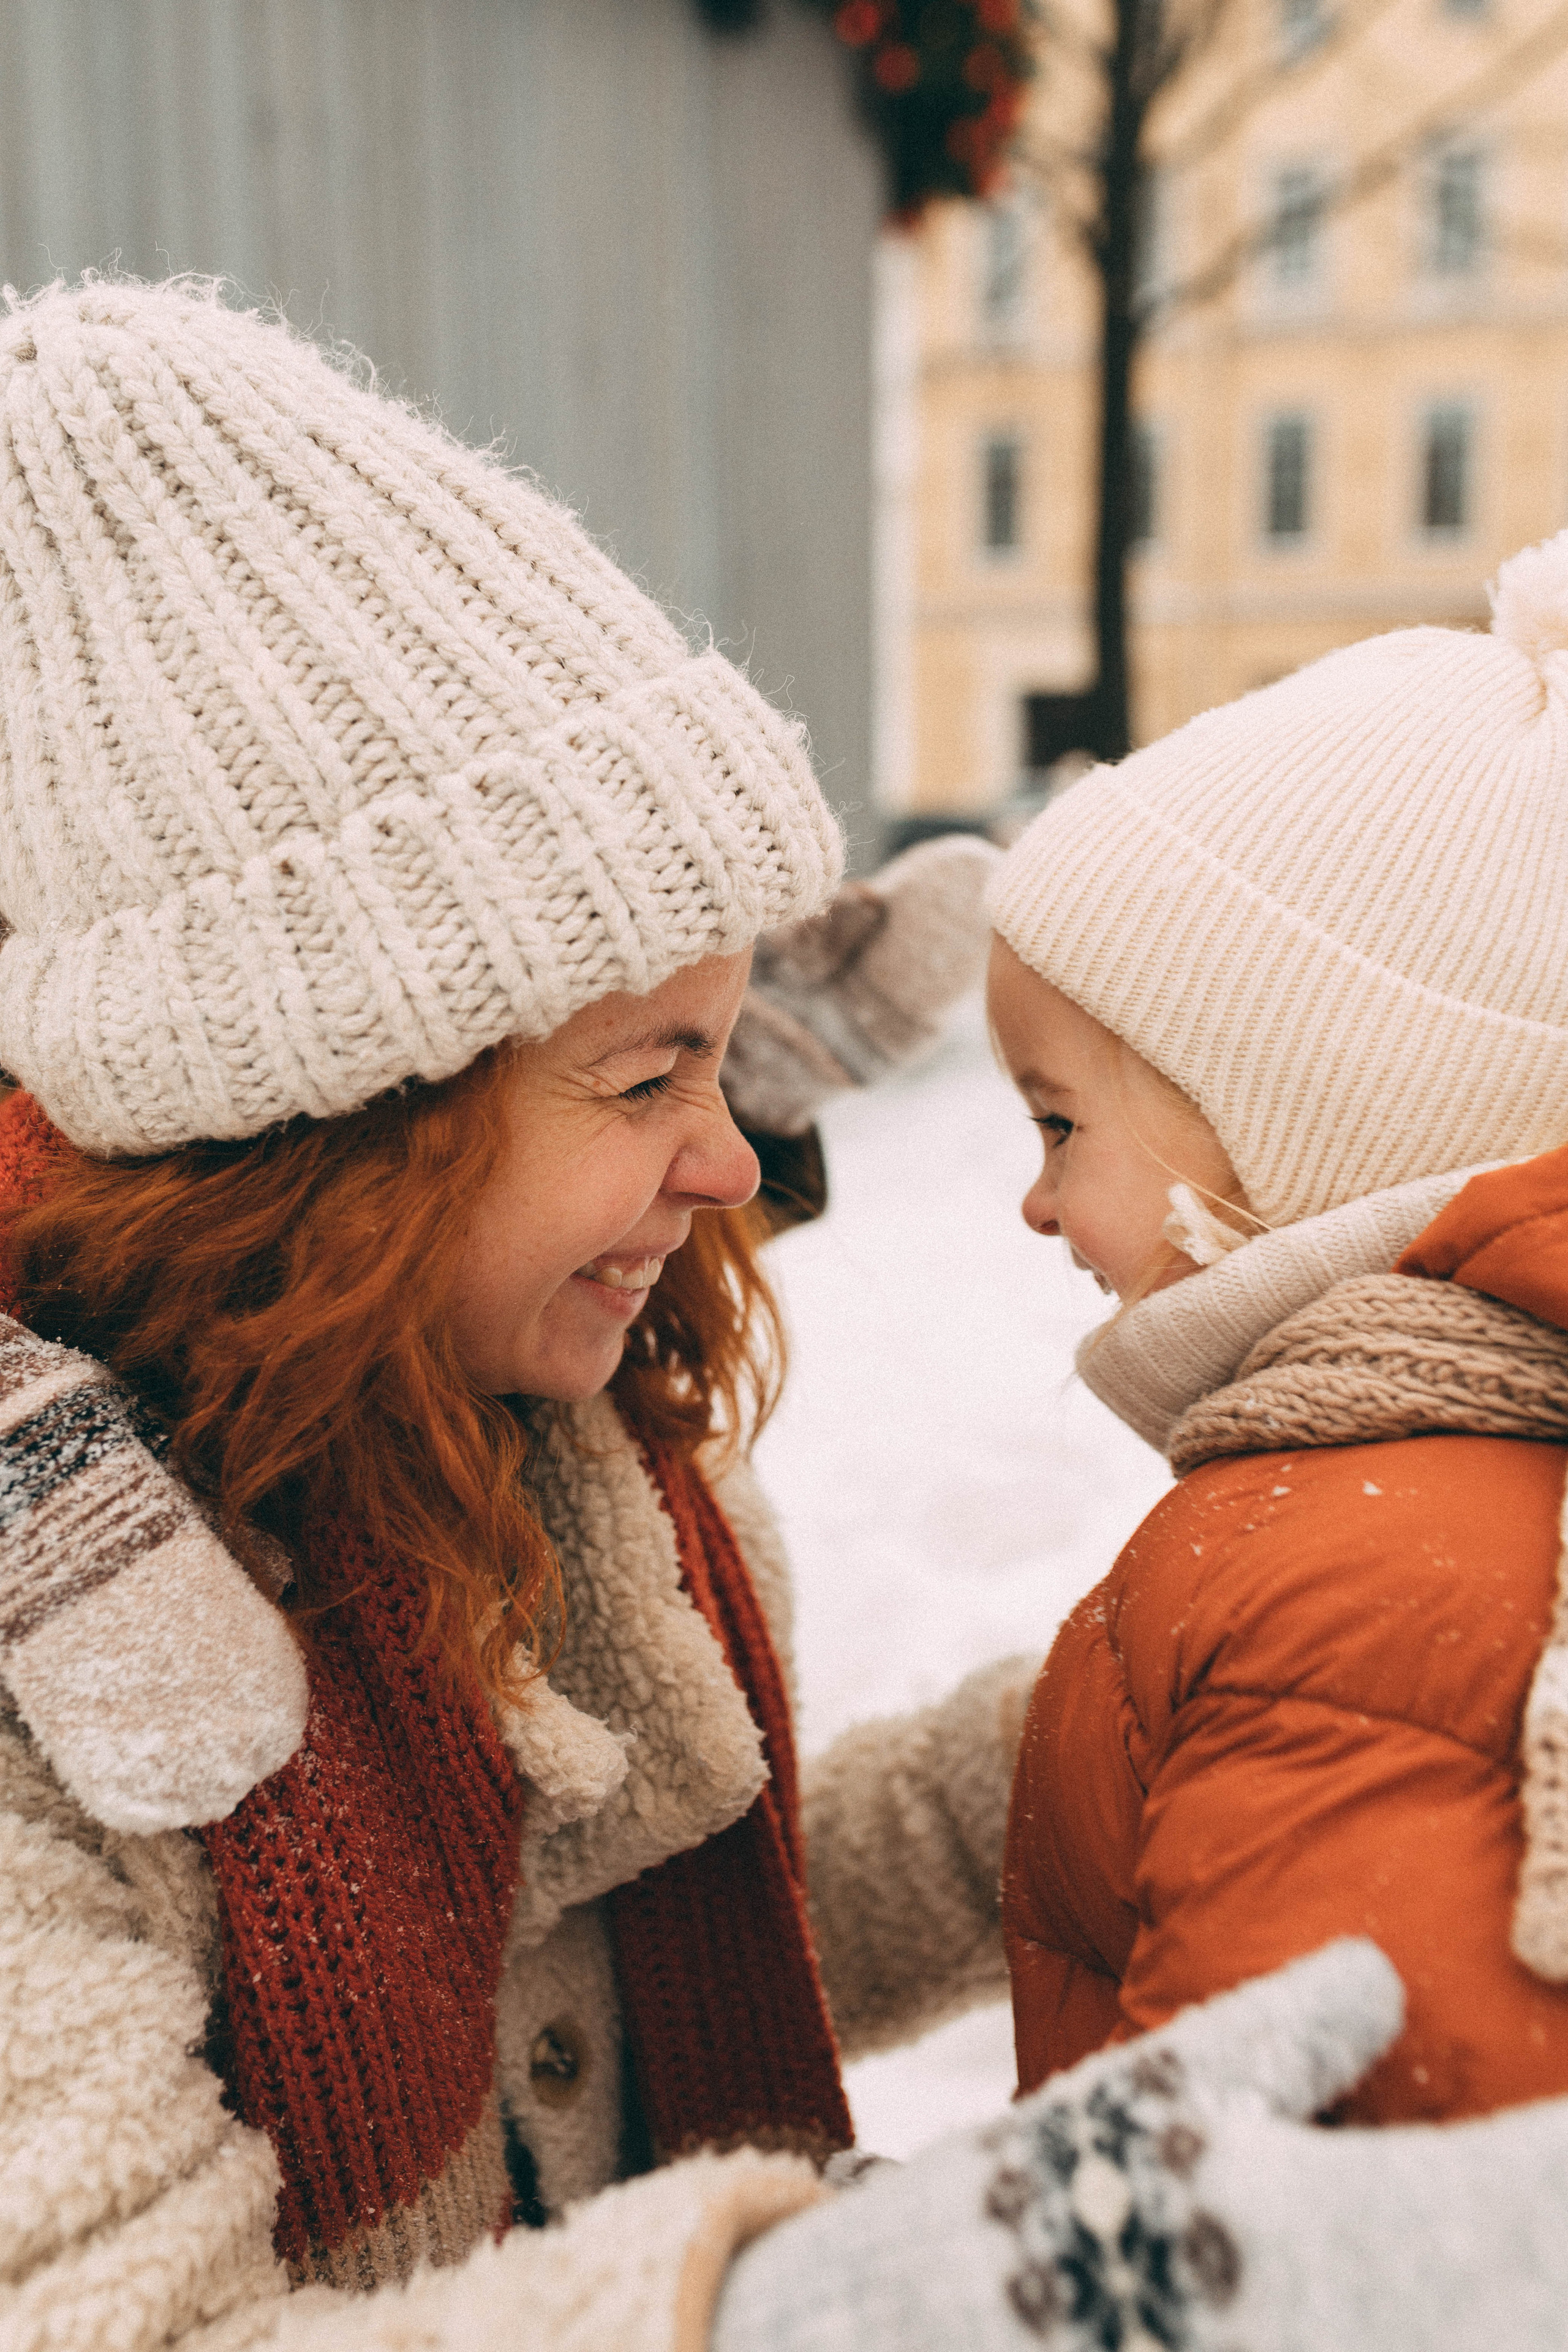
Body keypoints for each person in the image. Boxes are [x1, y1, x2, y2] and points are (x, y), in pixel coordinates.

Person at [0, 277, 1030, 2352]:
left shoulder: (568, 1472)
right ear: (337, 1127)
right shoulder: (60, 1664)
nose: (735, 1164)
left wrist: (1124, 1729)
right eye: (649, 1077)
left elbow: (623, 1975)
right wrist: (819, 2305)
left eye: (725, 1062)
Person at [702, 531, 1568, 2352]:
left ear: (1303, 1111)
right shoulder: (1409, 1493)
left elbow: (1303, 2221)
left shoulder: (1345, 1556)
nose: (1029, 1205)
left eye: (1058, 1121)